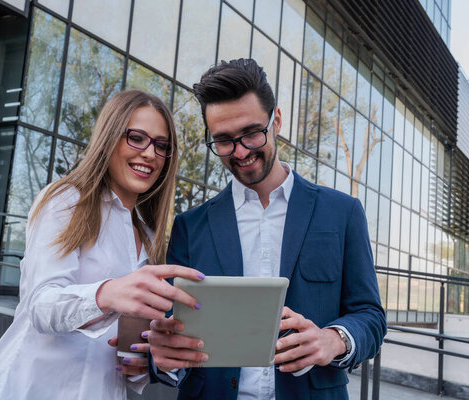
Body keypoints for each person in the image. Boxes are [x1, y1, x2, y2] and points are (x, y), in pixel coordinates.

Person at [146, 59, 387, 399]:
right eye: (224, 141)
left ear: (276, 120)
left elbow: (371, 317)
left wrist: (332, 340)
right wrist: (165, 356)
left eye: (251, 133)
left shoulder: (342, 212)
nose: (240, 152)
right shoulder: (189, 226)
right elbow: (173, 334)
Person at [0, 90, 205, 400]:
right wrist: (107, 294)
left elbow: (125, 349)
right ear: (109, 138)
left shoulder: (148, 235)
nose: (150, 153)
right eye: (136, 137)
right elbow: (39, 305)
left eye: (162, 146)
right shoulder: (66, 201)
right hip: (33, 388)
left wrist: (141, 361)